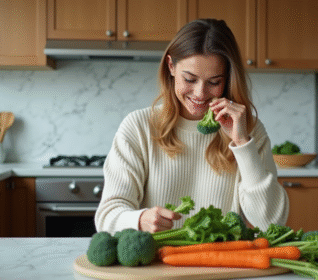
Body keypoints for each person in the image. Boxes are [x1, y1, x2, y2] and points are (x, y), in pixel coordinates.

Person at [95, 18, 289, 235]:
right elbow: (107, 216)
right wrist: (139, 219)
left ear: (227, 80)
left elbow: (271, 222)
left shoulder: (248, 130)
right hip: (156, 264)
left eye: (214, 82)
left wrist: (243, 144)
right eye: (190, 79)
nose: (200, 94)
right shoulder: (139, 127)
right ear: (171, 66)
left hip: (223, 265)